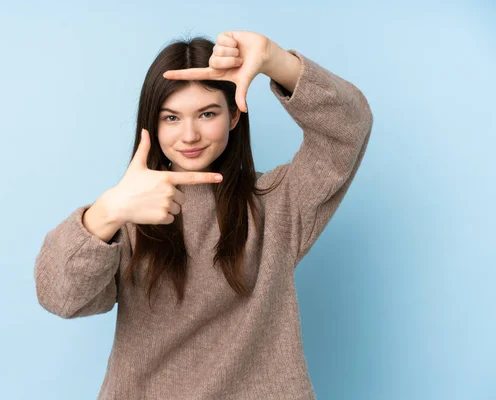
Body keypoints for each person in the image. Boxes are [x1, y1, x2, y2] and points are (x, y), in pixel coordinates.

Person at [34, 30, 373, 399]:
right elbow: (60, 297)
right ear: (152, 124)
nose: (190, 135)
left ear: (233, 115)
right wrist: (109, 210)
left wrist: (277, 61)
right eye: (171, 118)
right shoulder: (129, 213)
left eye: (207, 113)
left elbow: (348, 127)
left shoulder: (277, 203)